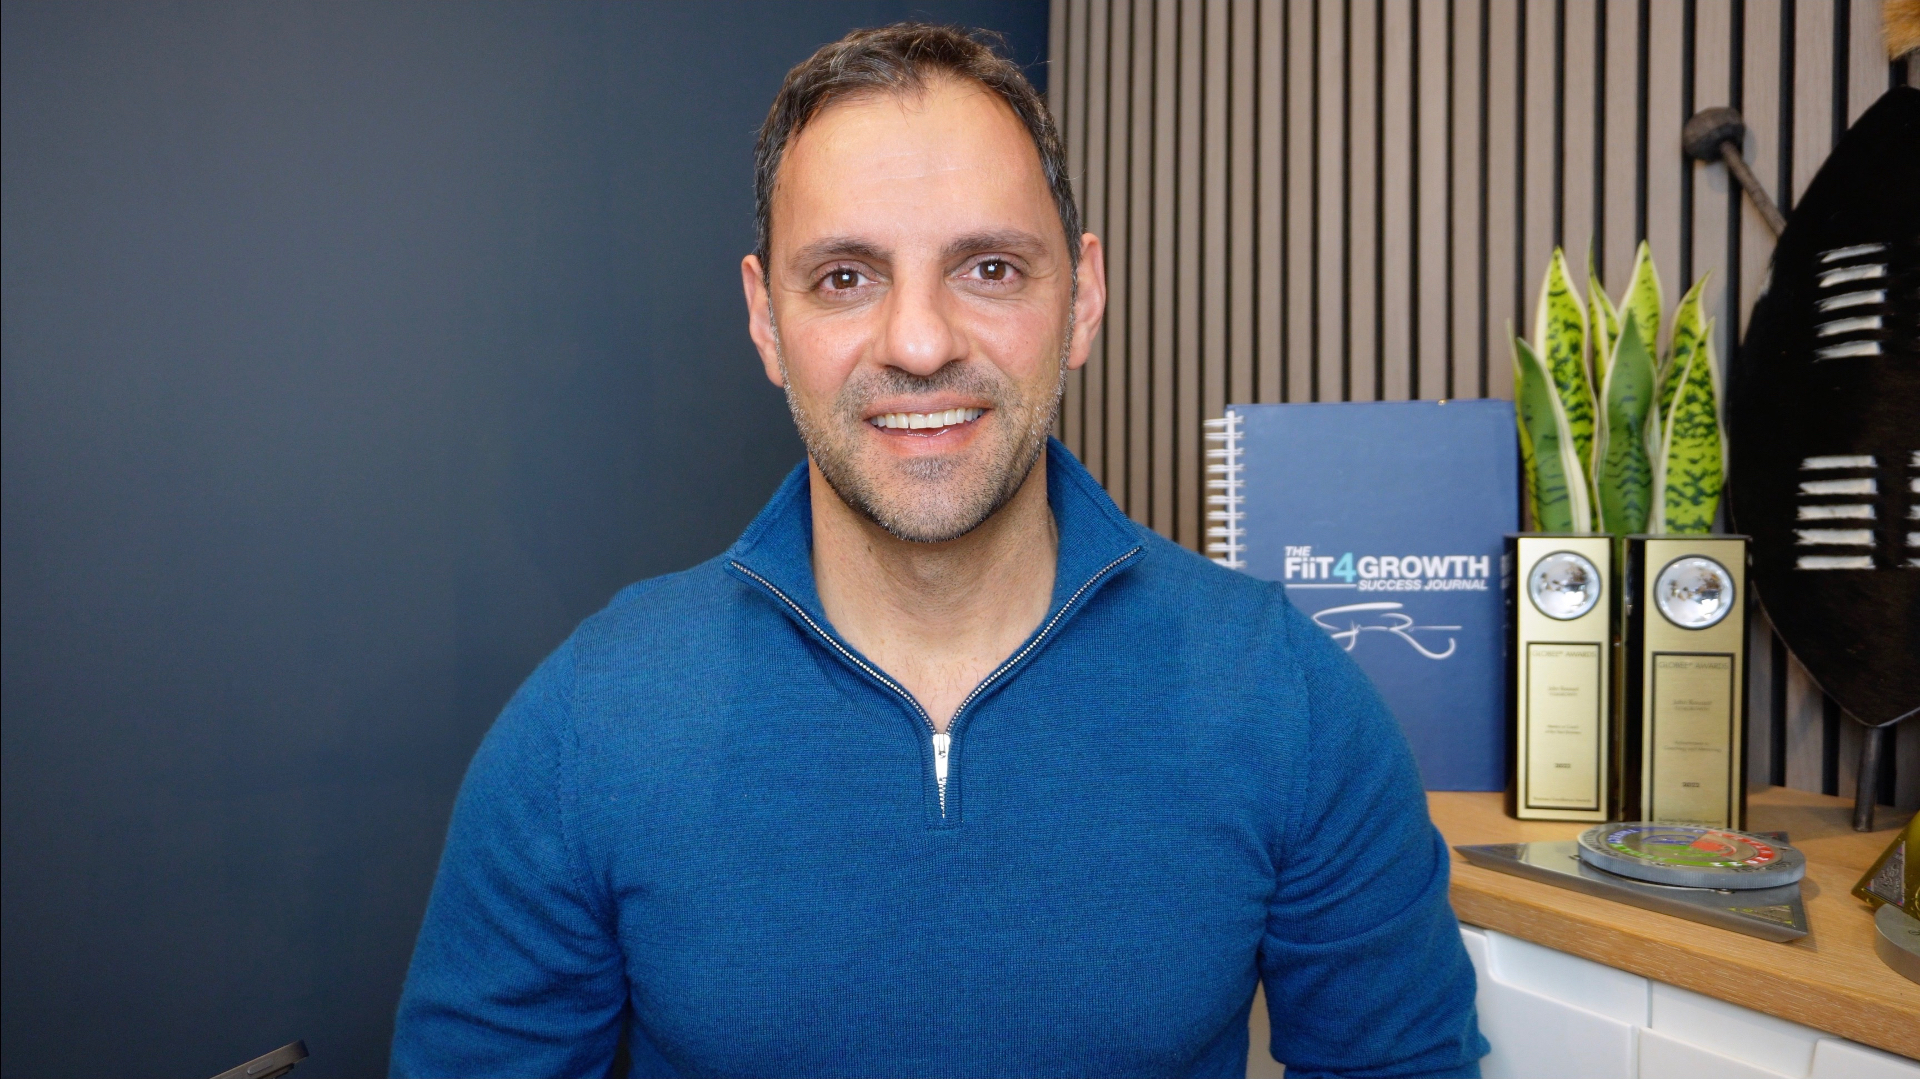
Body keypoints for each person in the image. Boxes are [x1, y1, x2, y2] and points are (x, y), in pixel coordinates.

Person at [392, 23, 1487, 1079]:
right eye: (846, 277)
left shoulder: (1288, 698)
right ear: (767, 320)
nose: (919, 343)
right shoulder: (591, 718)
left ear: (1084, 300)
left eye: (990, 268)